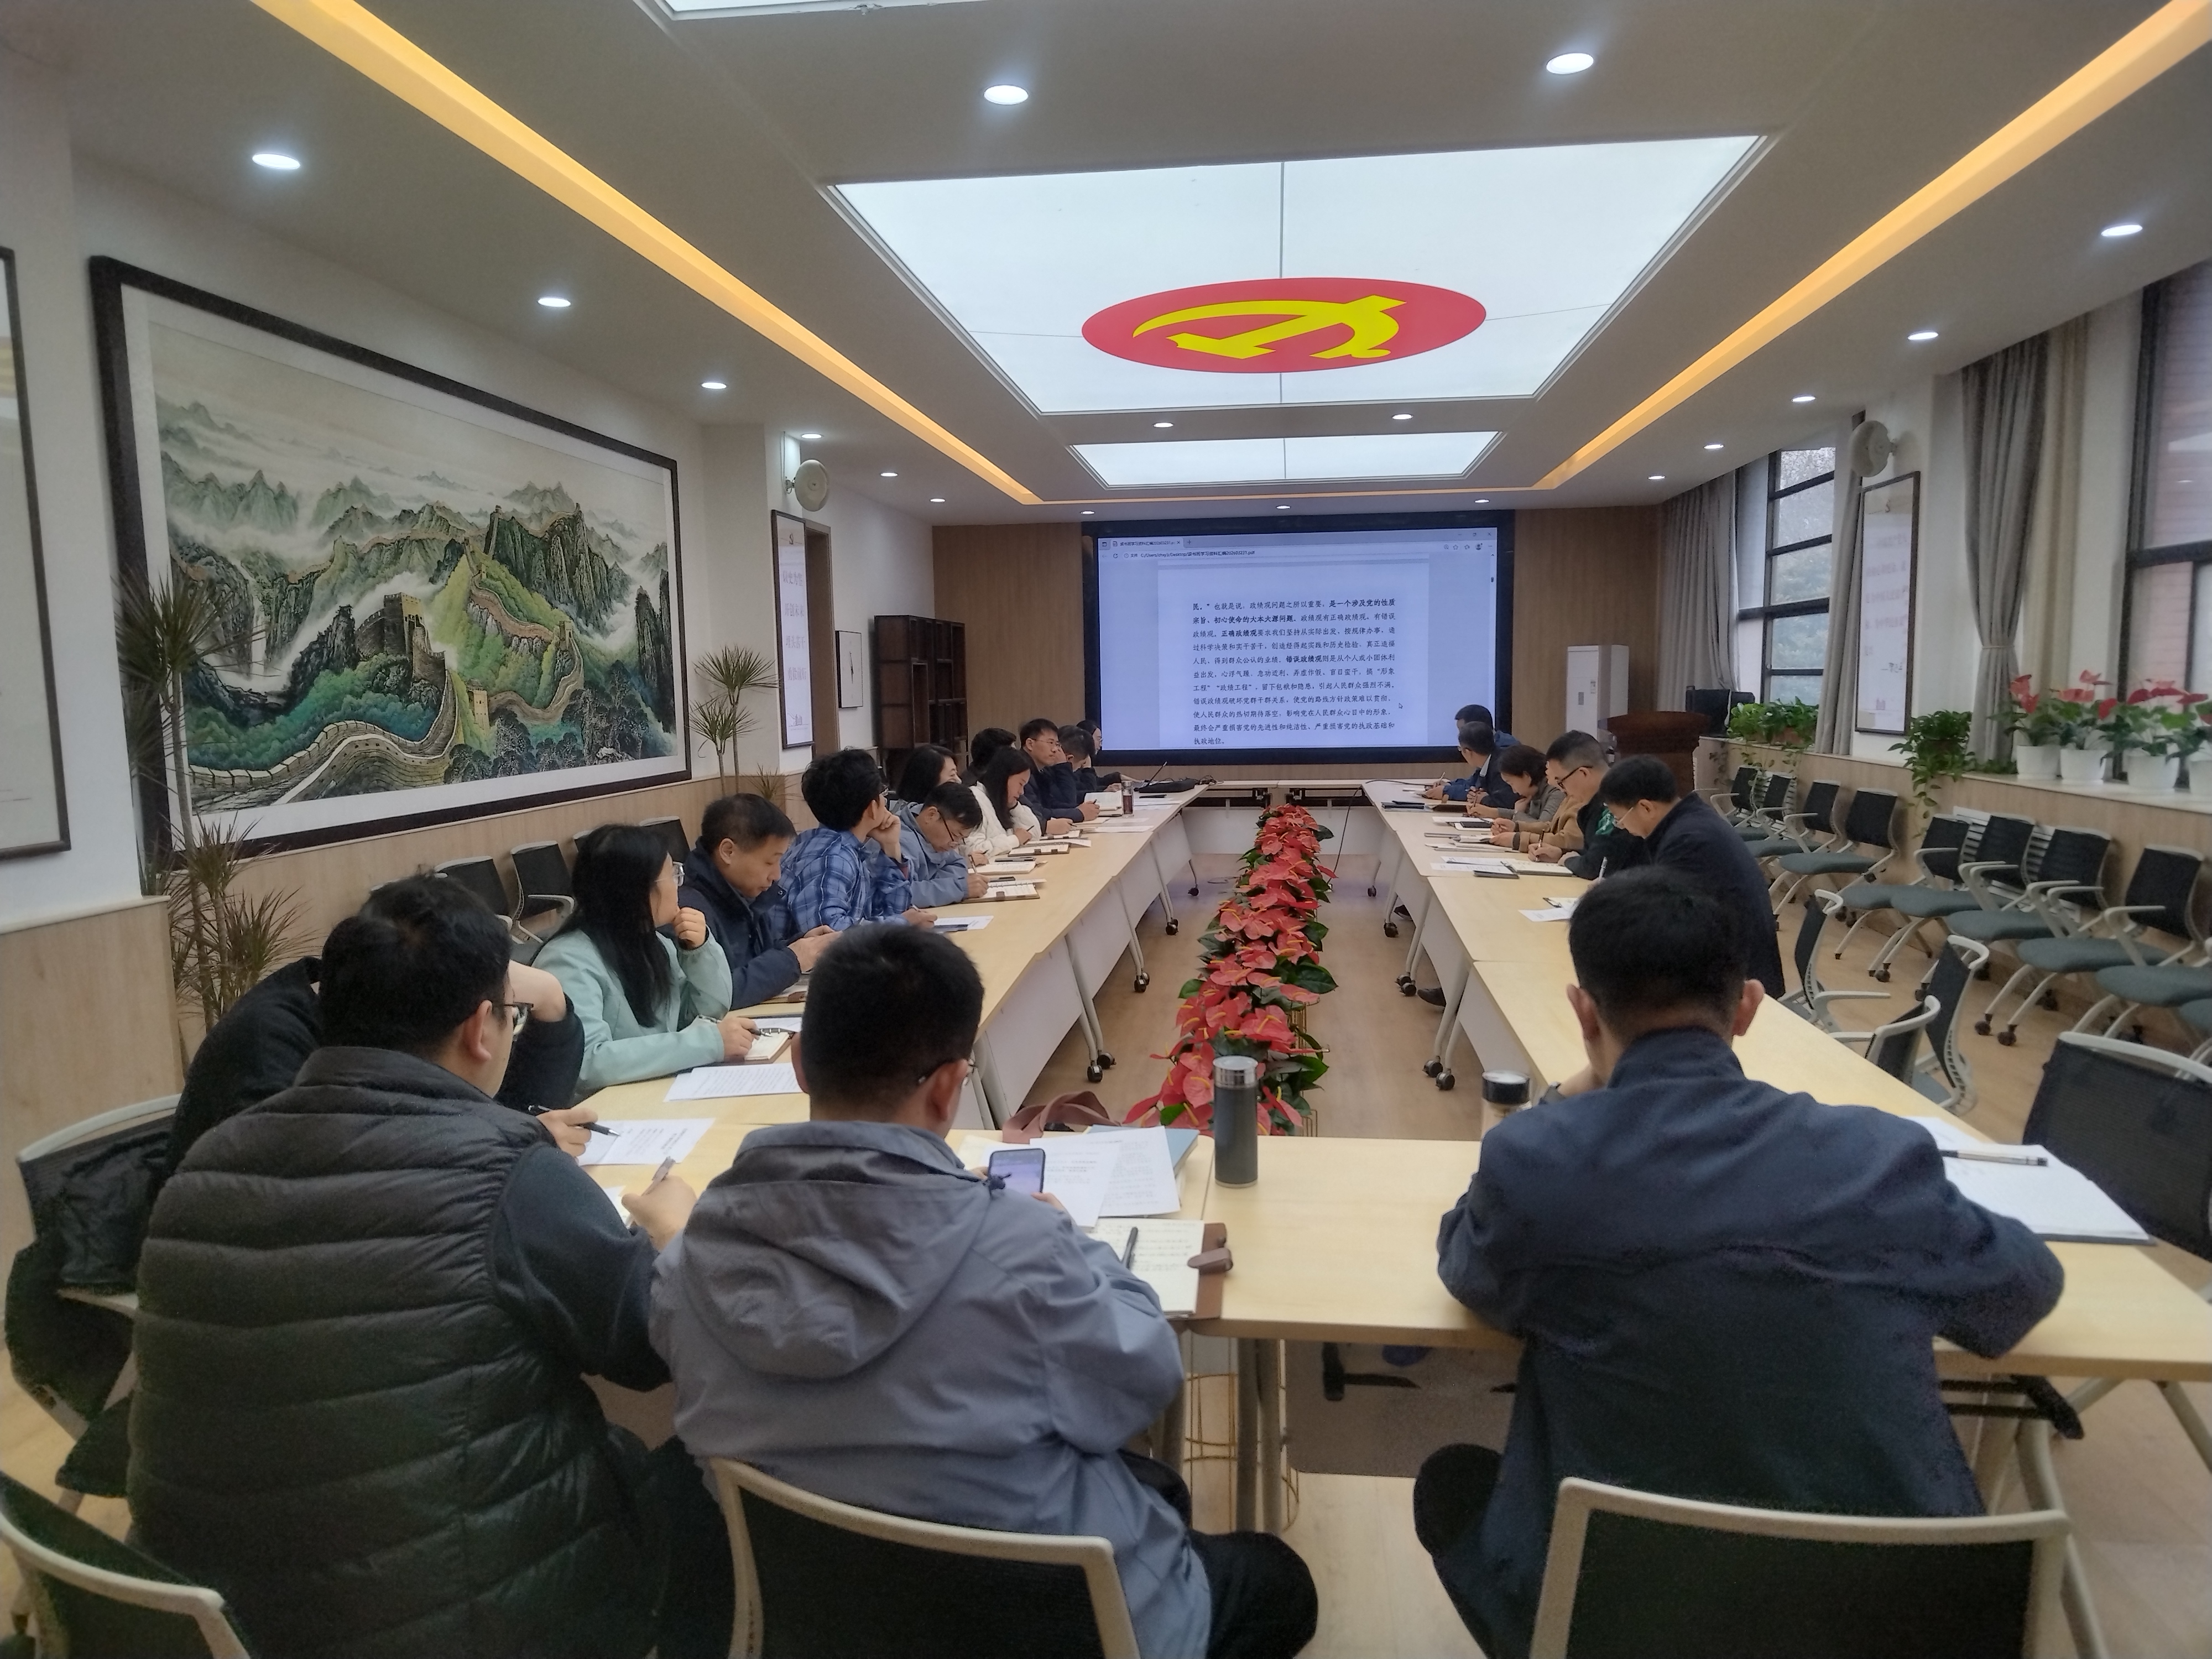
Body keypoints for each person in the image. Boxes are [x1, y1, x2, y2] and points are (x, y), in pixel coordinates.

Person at [1413, 869, 2063, 1659]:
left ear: (1583, 1012)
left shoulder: (1536, 1162)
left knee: (1453, 1482)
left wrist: (1563, 1102)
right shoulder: (1878, 1156)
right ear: (1749, 1006)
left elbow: (1469, 1268)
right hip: (1894, 1623)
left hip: (1619, 1621)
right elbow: (2022, 1292)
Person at [650, 925, 1319, 1659]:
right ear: (948, 1087)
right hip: (1059, 1629)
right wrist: (1069, 1240)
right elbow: (1146, 1379)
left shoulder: (688, 1263)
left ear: (802, 1063)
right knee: (1280, 1580)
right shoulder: (1026, 1252)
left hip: (828, 1623)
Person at [132, 875, 723, 1659]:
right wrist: (673, 1239)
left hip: (202, 1619)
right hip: (445, 1619)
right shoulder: (509, 1173)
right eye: (512, 1017)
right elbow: (649, 1348)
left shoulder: (208, 1162)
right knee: (702, 1481)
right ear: (482, 1028)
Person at [165, 893, 593, 1172]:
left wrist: (549, 997)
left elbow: (508, 1107)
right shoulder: (269, 1045)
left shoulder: (391, 1006)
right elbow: (340, 1184)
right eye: (512, 1013)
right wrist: (510, 1145)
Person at [537, 825, 753, 1090]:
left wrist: (699, 952)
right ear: (636, 890)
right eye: (672, 875)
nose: (679, 884)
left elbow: (703, 1014)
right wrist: (708, 1043)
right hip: (601, 1106)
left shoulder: (654, 943)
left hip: (651, 1092)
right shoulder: (568, 961)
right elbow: (589, 1061)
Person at [1598, 755, 1787, 998]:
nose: (1622, 827)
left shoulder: (1688, 841)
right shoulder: (1690, 822)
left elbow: (1667, 920)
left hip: (1737, 984)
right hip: (1730, 964)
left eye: (1620, 819)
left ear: (1646, 808)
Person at [678, 793, 836, 1006]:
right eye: (770, 862)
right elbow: (716, 994)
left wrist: (803, 945)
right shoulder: (689, 912)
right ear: (728, 852)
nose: (777, 875)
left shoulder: (746, 893)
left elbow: (765, 952)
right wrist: (793, 959)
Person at [782, 748, 935, 932]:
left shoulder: (844, 847)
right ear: (872, 808)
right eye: (883, 794)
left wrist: (891, 847)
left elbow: (889, 912)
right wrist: (902, 923)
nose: (885, 802)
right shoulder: (832, 858)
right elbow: (828, 934)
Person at [1486, 732, 1603, 861]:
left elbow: (1570, 841)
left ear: (1583, 774)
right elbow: (1551, 827)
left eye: (1560, 782)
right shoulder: (1575, 796)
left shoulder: (1596, 801)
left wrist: (1518, 839)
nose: (1561, 789)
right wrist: (1517, 827)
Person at [897, 781, 989, 906]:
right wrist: (956, 888)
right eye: (955, 835)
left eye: (961, 838)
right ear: (932, 815)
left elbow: (958, 863)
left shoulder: (935, 838)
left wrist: (934, 886)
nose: (955, 844)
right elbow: (900, 895)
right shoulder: (899, 841)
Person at [1459, 743, 1561, 830]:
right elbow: (1525, 817)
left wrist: (1517, 813)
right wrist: (1489, 812)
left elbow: (1543, 828)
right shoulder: (1534, 791)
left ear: (1526, 776)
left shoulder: (1555, 792)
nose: (1514, 790)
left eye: (1512, 783)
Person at [1019, 717, 1100, 822]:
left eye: (1057, 745)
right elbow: (1036, 812)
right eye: (1050, 743)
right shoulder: (1020, 769)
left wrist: (1078, 809)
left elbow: (1051, 803)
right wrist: (1078, 813)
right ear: (1030, 744)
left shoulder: (1041, 771)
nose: (1055, 750)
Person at [1423, 720, 1514, 808]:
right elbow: (1471, 784)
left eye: (1460, 749)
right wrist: (1449, 786)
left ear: (1468, 752)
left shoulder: (1502, 766)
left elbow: (1506, 803)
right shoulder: (1489, 761)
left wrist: (1484, 800)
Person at [1065, 722, 1120, 793]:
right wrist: (1087, 768)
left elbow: (1095, 783)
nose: (1101, 745)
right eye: (1098, 739)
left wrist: (1104, 789)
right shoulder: (1074, 762)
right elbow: (1088, 790)